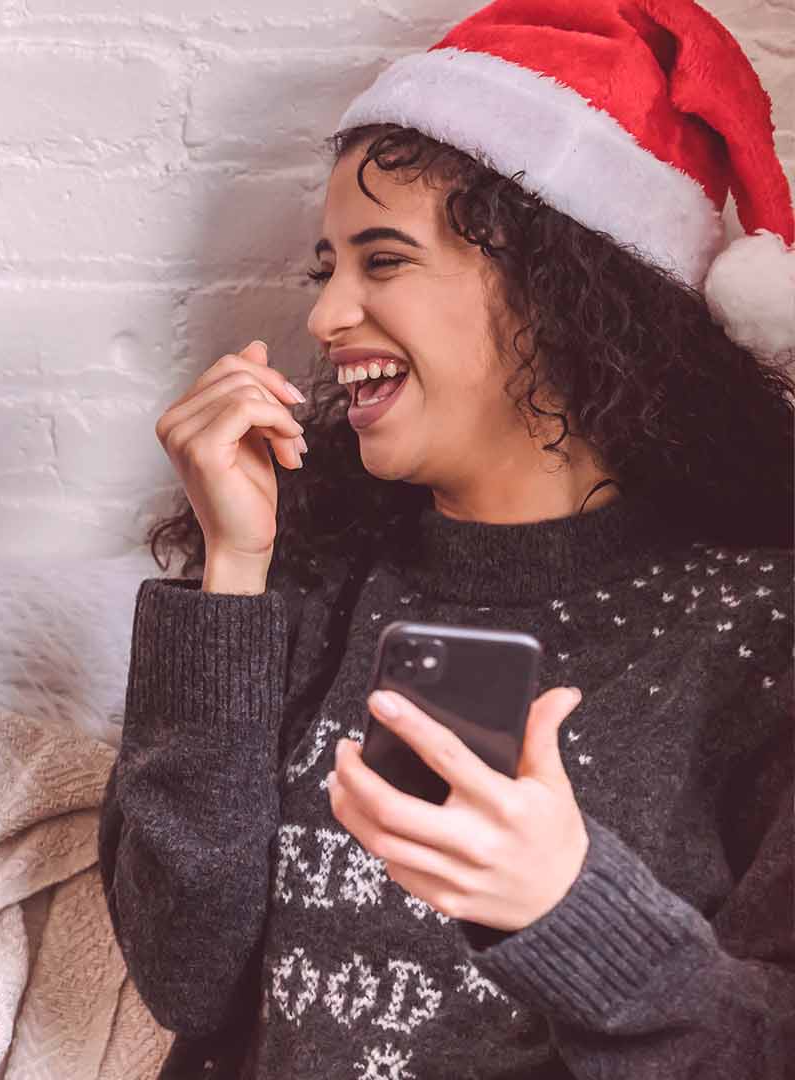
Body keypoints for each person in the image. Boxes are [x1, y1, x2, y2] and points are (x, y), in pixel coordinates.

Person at [101, 0, 794, 1076]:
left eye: (383, 260)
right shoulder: (311, 578)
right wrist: (233, 574)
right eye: (326, 268)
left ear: (563, 295)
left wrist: (568, 912)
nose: (329, 316)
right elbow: (185, 975)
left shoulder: (760, 631)